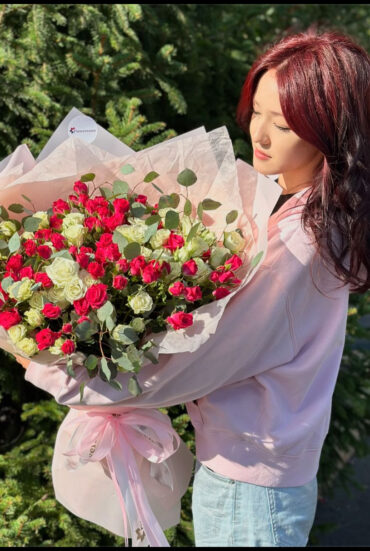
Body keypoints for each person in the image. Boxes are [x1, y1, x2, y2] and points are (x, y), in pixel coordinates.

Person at [16, 27, 369, 547]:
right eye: (258, 113)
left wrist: (56, 372)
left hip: (248, 491)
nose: (261, 135)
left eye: (286, 124)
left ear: (329, 131)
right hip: (262, 480)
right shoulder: (319, 215)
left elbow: (201, 360)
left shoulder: (300, 242)